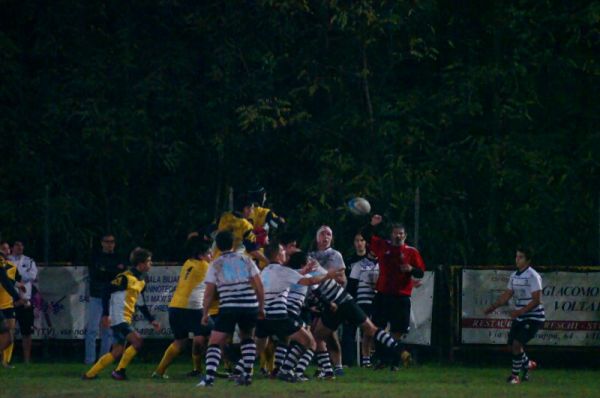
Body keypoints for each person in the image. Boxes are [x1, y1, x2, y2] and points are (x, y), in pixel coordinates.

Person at [242, 242, 341, 383]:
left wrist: (303, 271)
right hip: (280, 316)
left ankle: (240, 371)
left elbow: (289, 276)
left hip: (264, 316)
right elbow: (311, 281)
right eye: (282, 251)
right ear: (277, 254)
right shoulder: (283, 270)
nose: (285, 253)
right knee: (309, 342)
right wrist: (327, 276)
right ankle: (288, 371)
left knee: (259, 347)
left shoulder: (266, 270)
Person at [196, 230, 265, 387]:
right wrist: (261, 306)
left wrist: (205, 313)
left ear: (218, 246)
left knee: (214, 340)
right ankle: (247, 375)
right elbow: (259, 285)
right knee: (247, 337)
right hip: (249, 305)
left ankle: (209, 379)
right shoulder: (246, 260)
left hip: (229, 306)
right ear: (233, 244)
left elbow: (209, 292)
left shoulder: (216, 263)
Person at [82, 247, 160, 380]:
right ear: (140, 264)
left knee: (117, 352)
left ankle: (90, 374)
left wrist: (151, 320)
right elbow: (106, 291)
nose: (150, 264)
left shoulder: (141, 280)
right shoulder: (125, 278)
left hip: (125, 318)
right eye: (148, 261)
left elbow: (140, 302)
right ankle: (119, 372)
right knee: (138, 341)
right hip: (119, 318)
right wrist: (106, 314)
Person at [362, 215, 425, 370]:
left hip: (401, 296)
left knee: (397, 331)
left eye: (401, 234)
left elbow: (421, 272)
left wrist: (411, 269)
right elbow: (366, 236)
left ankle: (394, 362)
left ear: (405, 236)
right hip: (383, 294)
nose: (398, 236)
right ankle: (382, 360)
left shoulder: (411, 251)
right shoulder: (383, 246)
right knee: (377, 328)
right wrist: (372, 224)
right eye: (396, 233)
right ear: (391, 235)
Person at [152, 236, 213, 379]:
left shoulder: (187, 263)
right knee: (217, 333)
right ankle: (221, 368)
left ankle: (159, 372)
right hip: (192, 308)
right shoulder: (205, 266)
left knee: (181, 341)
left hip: (175, 307)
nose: (211, 256)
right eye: (209, 253)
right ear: (201, 255)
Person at [484, 247, 544, 384]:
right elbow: (507, 295)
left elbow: (537, 300)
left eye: (521, 257)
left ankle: (514, 376)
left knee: (517, 343)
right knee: (511, 346)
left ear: (528, 260)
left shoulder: (533, 276)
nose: (517, 259)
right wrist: (492, 307)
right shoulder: (514, 276)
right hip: (520, 316)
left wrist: (520, 311)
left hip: (533, 317)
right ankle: (527, 364)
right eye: (516, 256)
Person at [308, 225, 346, 375]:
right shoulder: (310, 255)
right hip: (315, 299)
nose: (326, 237)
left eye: (329, 234)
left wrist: (328, 277)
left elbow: (342, 278)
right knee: (320, 334)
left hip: (331, 298)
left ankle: (335, 366)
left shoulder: (335, 255)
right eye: (322, 234)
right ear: (317, 238)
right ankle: (327, 367)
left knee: (329, 334)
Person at [84, 234, 125, 365]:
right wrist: (112, 271)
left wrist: (106, 271)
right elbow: (96, 274)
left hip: (112, 297)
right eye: (107, 242)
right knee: (92, 329)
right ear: (102, 243)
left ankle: (103, 360)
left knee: (107, 331)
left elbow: (121, 275)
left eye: (112, 242)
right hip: (97, 296)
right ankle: (89, 360)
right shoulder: (95, 257)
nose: (109, 244)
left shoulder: (119, 257)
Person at [345, 232, 379, 368]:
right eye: (357, 240)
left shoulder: (380, 263)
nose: (359, 243)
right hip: (359, 301)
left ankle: (372, 359)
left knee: (373, 329)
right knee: (351, 329)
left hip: (375, 301)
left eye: (362, 240)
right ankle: (348, 360)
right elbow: (351, 285)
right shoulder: (354, 263)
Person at [8, 240, 37, 364]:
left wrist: (16, 275)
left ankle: (27, 360)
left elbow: (32, 276)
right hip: (8, 301)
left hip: (25, 300)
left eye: (21, 245)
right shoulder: (6, 260)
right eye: (17, 245)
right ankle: (5, 359)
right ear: (11, 247)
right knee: (7, 331)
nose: (19, 247)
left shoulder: (29, 261)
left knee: (26, 332)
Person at [0, 253, 28, 367]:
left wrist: (17, 286)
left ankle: (5, 361)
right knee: (8, 336)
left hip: (6, 305)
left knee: (8, 336)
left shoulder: (6, 263)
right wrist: (17, 297)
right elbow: (4, 280)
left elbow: (5, 279)